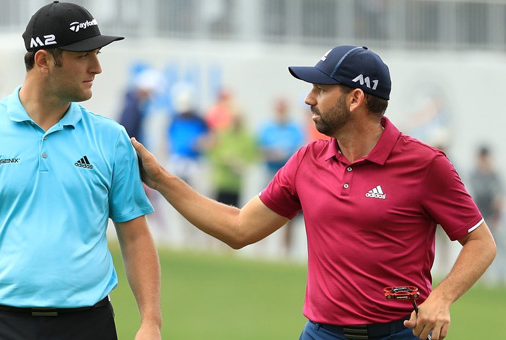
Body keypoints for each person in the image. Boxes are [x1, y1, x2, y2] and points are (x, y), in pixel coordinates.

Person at [131, 45, 496, 340]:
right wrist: (161, 178)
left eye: (321, 90)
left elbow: (481, 243)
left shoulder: (426, 164)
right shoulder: (307, 160)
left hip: (399, 334)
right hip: (321, 334)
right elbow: (239, 228)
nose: (309, 99)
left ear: (355, 99)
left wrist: (442, 297)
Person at [0, 2, 161, 340]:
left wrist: (151, 321)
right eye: (83, 56)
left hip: (89, 326)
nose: (97, 67)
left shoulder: (112, 139)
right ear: (44, 60)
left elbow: (134, 236)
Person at [257, 97, 303, 256]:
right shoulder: (267, 128)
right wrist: (272, 153)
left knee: (288, 214)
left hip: (288, 174)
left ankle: (285, 251)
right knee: (262, 210)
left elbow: (298, 150)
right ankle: (261, 248)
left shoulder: (294, 128)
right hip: (270, 172)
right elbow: (259, 150)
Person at [469, 145, 504, 284]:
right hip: (479, 217)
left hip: (493, 216)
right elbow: (475, 193)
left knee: (498, 247)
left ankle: (500, 276)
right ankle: (482, 277)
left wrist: (498, 215)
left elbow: (499, 196)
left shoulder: (494, 175)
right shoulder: (475, 175)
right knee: (480, 248)